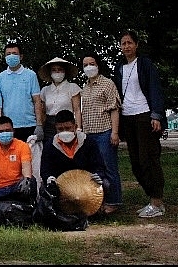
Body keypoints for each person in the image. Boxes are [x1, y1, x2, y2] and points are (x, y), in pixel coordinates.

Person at [114, 29, 166, 218]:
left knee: (149, 159)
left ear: (136, 45)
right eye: (123, 43)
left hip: (145, 115)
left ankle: (157, 202)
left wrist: (156, 116)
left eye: (129, 43)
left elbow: (155, 88)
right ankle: (152, 198)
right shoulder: (119, 68)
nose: (126, 46)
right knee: (135, 163)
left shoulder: (145, 64)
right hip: (128, 117)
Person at [80, 52, 122, 214]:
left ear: (98, 65)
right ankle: (98, 200)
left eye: (92, 63)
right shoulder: (85, 87)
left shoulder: (107, 84)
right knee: (95, 170)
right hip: (89, 134)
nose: (89, 67)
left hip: (105, 132)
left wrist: (115, 132)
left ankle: (114, 201)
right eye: (85, 65)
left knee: (109, 168)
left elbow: (114, 109)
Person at [40, 109, 107, 205]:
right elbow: (45, 169)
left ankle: (96, 208)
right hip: (61, 185)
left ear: (75, 127)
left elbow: (99, 164)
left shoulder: (88, 142)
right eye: (60, 129)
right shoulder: (50, 145)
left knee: (105, 183)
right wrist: (49, 177)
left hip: (86, 184)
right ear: (56, 129)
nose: (64, 132)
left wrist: (98, 174)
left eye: (68, 128)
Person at [0, 42, 43, 142]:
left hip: (29, 124)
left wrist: (39, 124)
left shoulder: (31, 75)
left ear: (21, 56)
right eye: (8, 54)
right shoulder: (0, 78)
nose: (11, 56)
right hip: (8, 127)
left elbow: (37, 101)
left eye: (14, 53)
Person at [0, 115, 34, 199]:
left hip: (18, 185)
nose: (4, 133)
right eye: (1, 131)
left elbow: (26, 167)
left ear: (13, 131)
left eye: (8, 130)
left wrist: (27, 181)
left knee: (32, 183)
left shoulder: (22, 146)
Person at [37, 57, 83, 145]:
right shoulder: (45, 90)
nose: (57, 72)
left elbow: (77, 110)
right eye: (54, 70)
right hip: (49, 125)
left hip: (67, 124)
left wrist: (78, 128)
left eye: (60, 69)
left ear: (65, 72)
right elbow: (43, 112)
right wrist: (40, 128)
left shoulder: (72, 87)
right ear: (50, 73)